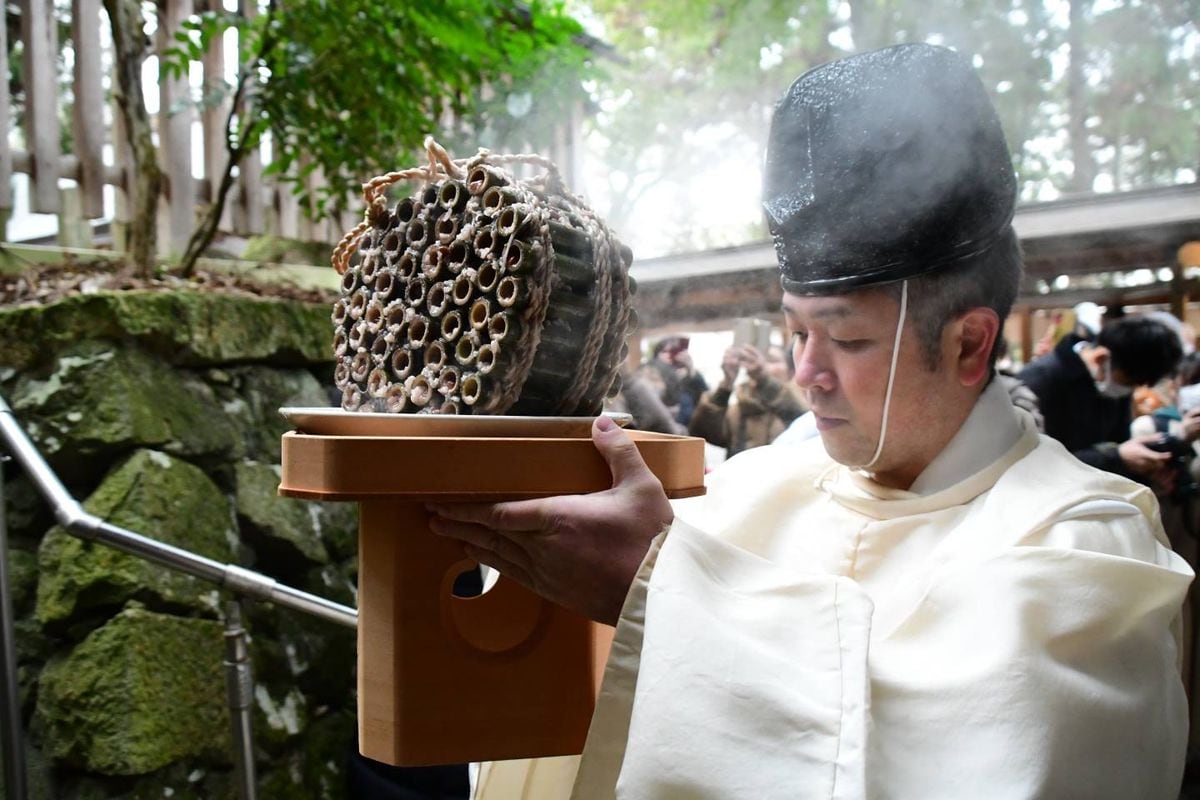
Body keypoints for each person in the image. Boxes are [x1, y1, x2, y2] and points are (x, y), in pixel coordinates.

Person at [428, 44, 1192, 798]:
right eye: (796, 332)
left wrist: (662, 594)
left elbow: (973, 757)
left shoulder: (1084, 544)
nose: (804, 373)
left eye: (848, 338)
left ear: (969, 342)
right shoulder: (749, 489)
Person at [1019, 314, 1184, 489]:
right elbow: (1031, 464)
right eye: (1128, 383)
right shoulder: (1039, 381)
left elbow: (1119, 441)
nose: (1128, 391)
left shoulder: (1114, 380)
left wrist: (1144, 470)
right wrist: (1116, 457)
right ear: (1101, 358)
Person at [688, 343, 806, 456]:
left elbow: (800, 416)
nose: (761, 364)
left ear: (791, 371)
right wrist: (726, 384)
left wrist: (763, 378)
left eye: (771, 360)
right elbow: (703, 433)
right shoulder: (738, 409)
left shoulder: (801, 401)